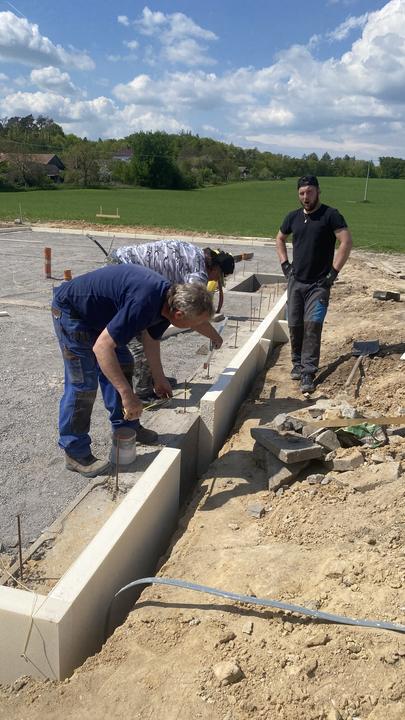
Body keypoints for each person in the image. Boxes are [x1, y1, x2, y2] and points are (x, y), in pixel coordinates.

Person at [52, 263, 214, 477]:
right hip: (73, 312)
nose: (195, 327)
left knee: (124, 363)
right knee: (83, 384)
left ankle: (127, 427)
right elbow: (102, 348)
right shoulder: (145, 302)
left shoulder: (167, 303)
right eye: (195, 324)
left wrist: (159, 378)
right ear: (179, 315)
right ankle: (75, 451)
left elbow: (151, 340)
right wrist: (127, 395)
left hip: (102, 316)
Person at [107, 239, 235, 402]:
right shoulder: (197, 274)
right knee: (143, 341)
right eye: (219, 277)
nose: (215, 280)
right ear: (216, 268)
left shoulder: (195, 254)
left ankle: (154, 378)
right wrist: (215, 336)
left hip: (122, 264)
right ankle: (144, 392)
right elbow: (192, 314)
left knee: (152, 333)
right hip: (124, 276)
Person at [275, 175, 352, 394]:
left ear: (318, 191)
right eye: (302, 193)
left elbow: (346, 242)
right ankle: (297, 363)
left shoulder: (331, 215)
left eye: (309, 192)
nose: (305, 197)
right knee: (295, 324)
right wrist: (285, 265)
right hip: (296, 281)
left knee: (312, 326)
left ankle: (308, 371)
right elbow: (279, 238)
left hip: (319, 284)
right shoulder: (293, 217)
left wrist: (333, 274)